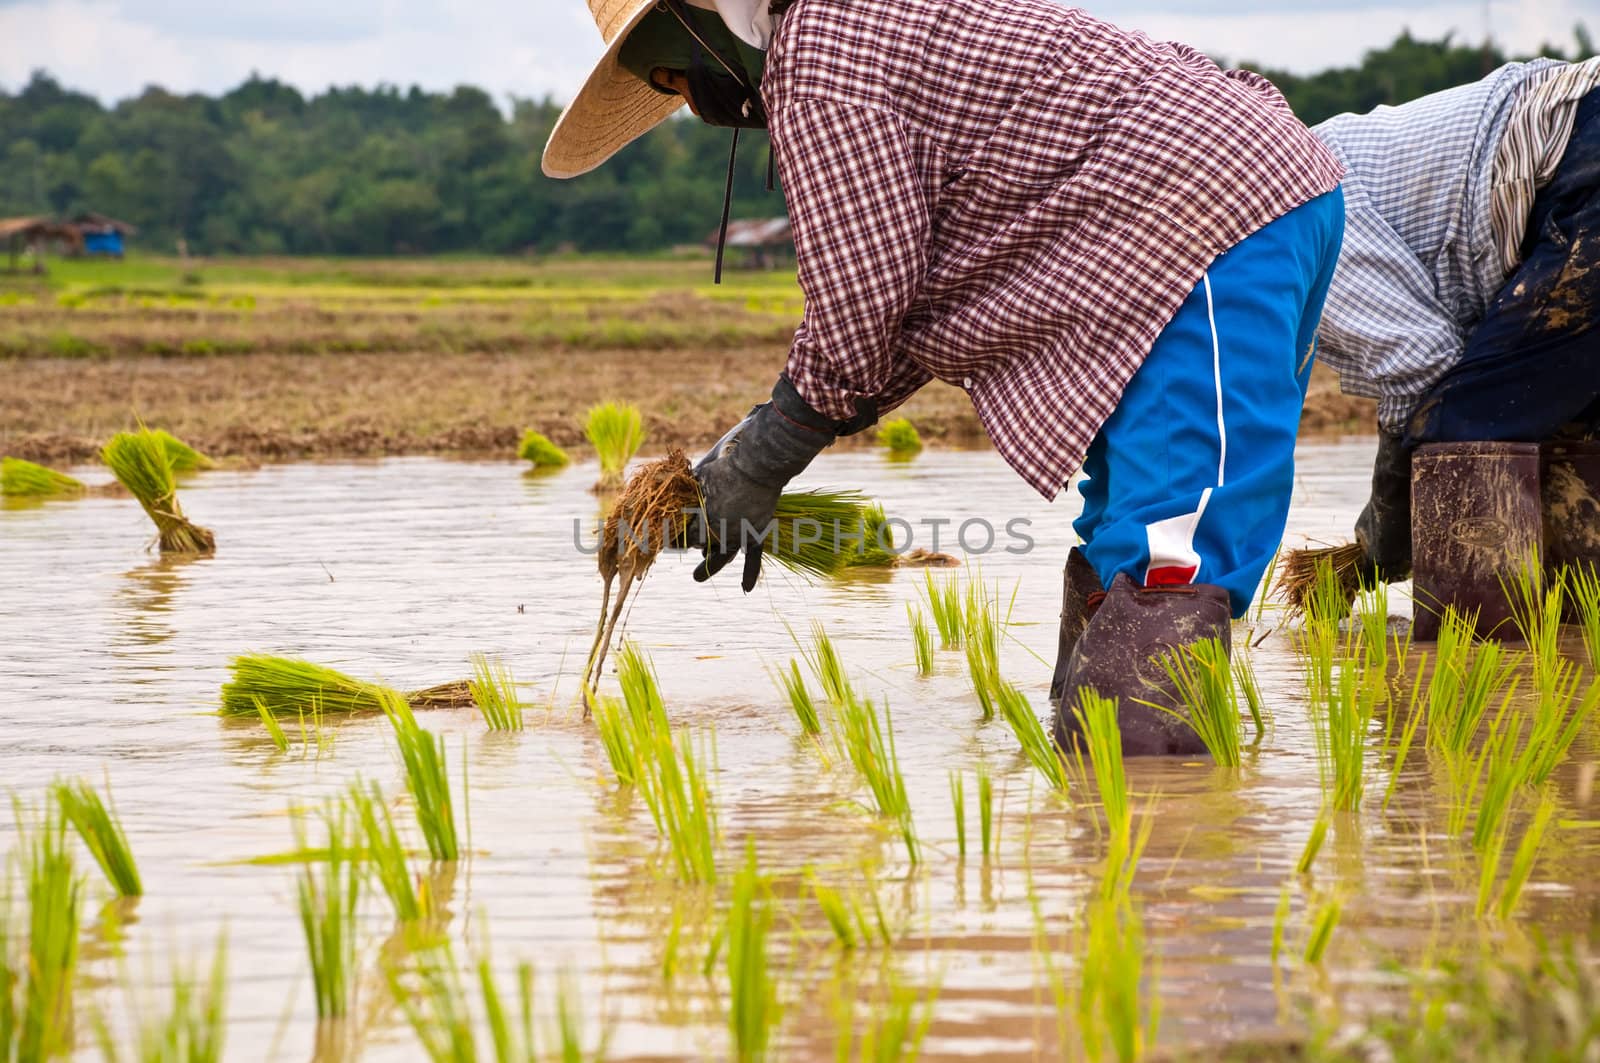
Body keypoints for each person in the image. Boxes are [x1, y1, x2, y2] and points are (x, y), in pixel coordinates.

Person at [544, 0, 1345, 755]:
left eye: (668, 75)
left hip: (1204, 214)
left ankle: (1164, 846)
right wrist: (756, 446)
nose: (687, 103)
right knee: (1125, 523)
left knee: (1174, 542)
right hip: (1195, 214)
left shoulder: (818, 59)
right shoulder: (848, 30)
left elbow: (865, 301)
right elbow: (899, 316)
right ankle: (1093, 793)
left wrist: (763, 454)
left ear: (694, 24)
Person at [1312, 57, 1600, 587]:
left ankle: (1482, 645)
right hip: (1568, 134)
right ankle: (1574, 639)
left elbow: (1423, 370)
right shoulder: (1321, 162)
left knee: (1469, 426)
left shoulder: (1297, 222)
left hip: (1579, 145)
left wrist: (1384, 535)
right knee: (1572, 421)